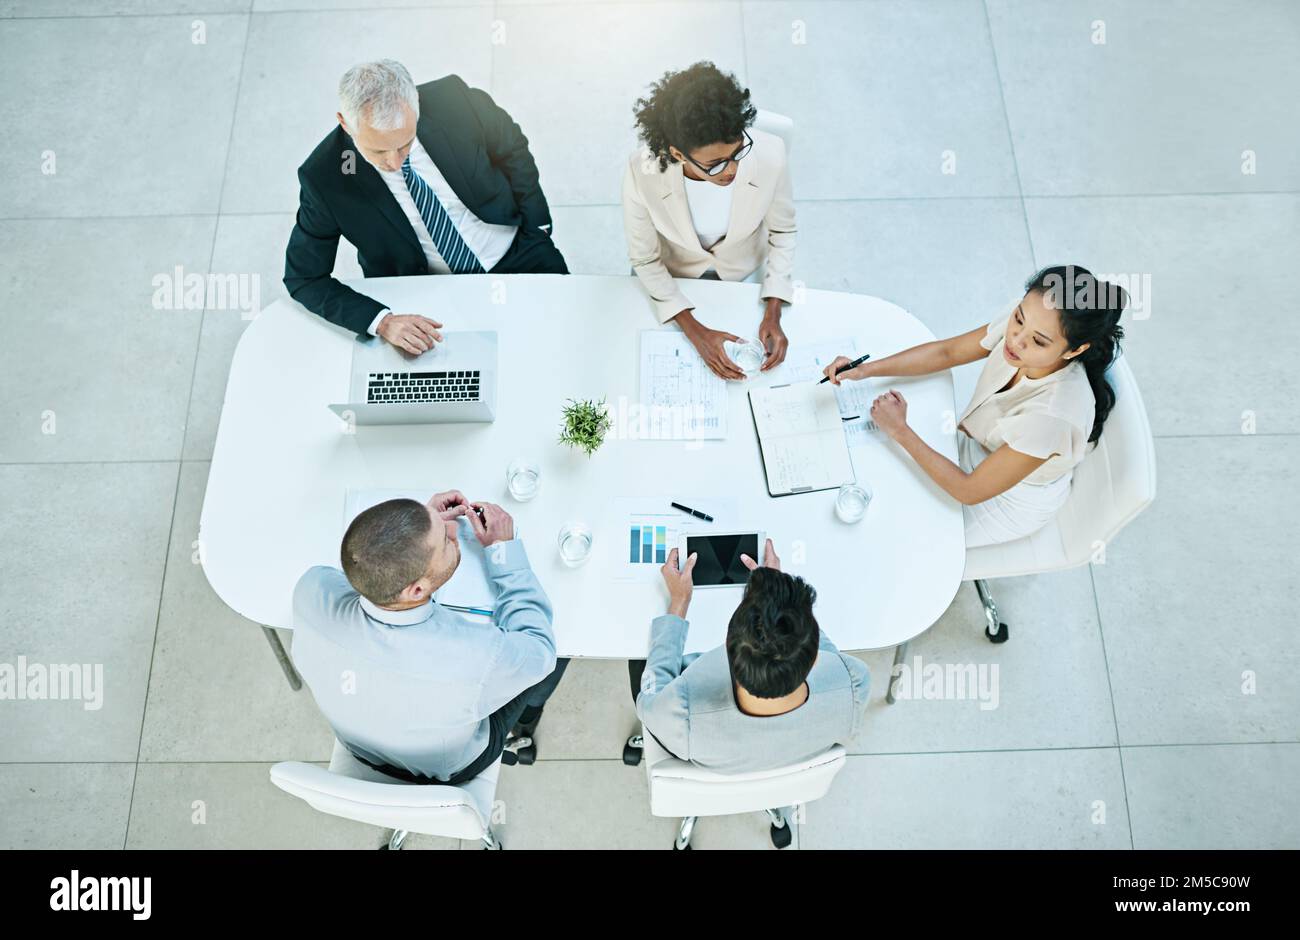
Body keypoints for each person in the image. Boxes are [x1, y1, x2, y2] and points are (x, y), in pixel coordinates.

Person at [824, 265, 1128, 548]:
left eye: (1038, 341)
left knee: (908, 537)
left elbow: (968, 491)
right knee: (882, 470)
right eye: (1019, 318)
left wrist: (901, 430)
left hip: (1010, 499)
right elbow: (947, 352)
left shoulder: (1053, 417)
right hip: (981, 446)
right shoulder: (1028, 323)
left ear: (1076, 349)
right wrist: (864, 370)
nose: (1016, 340)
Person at [284, 59, 566, 355]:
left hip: (519, 252)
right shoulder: (325, 177)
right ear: (345, 123)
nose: (394, 163)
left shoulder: (456, 101)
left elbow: (512, 149)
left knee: (561, 344)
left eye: (405, 144)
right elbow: (304, 278)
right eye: (378, 150)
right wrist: (383, 322)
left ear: (416, 106)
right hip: (425, 294)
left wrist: (537, 227)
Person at [291, 490, 568, 783]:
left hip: (360, 746)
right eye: (446, 540)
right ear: (417, 591)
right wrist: (502, 550)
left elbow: (366, 570)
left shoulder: (311, 590)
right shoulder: (476, 656)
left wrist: (413, 529)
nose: (453, 528)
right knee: (558, 654)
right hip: (448, 768)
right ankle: (525, 723)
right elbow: (540, 648)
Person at [629, 539, 870, 773]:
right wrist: (776, 593)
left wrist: (679, 602)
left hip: (716, 762)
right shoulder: (854, 682)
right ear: (816, 660)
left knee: (638, 659)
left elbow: (648, 700)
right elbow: (827, 652)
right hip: (793, 767)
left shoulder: (679, 716)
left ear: (725, 650)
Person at [623, 61, 796, 380]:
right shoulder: (642, 171)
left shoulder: (771, 154)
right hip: (673, 275)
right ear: (677, 155)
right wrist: (696, 332)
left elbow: (783, 231)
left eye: (738, 152)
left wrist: (773, 309)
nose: (732, 170)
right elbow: (645, 259)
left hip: (738, 270)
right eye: (715, 164)